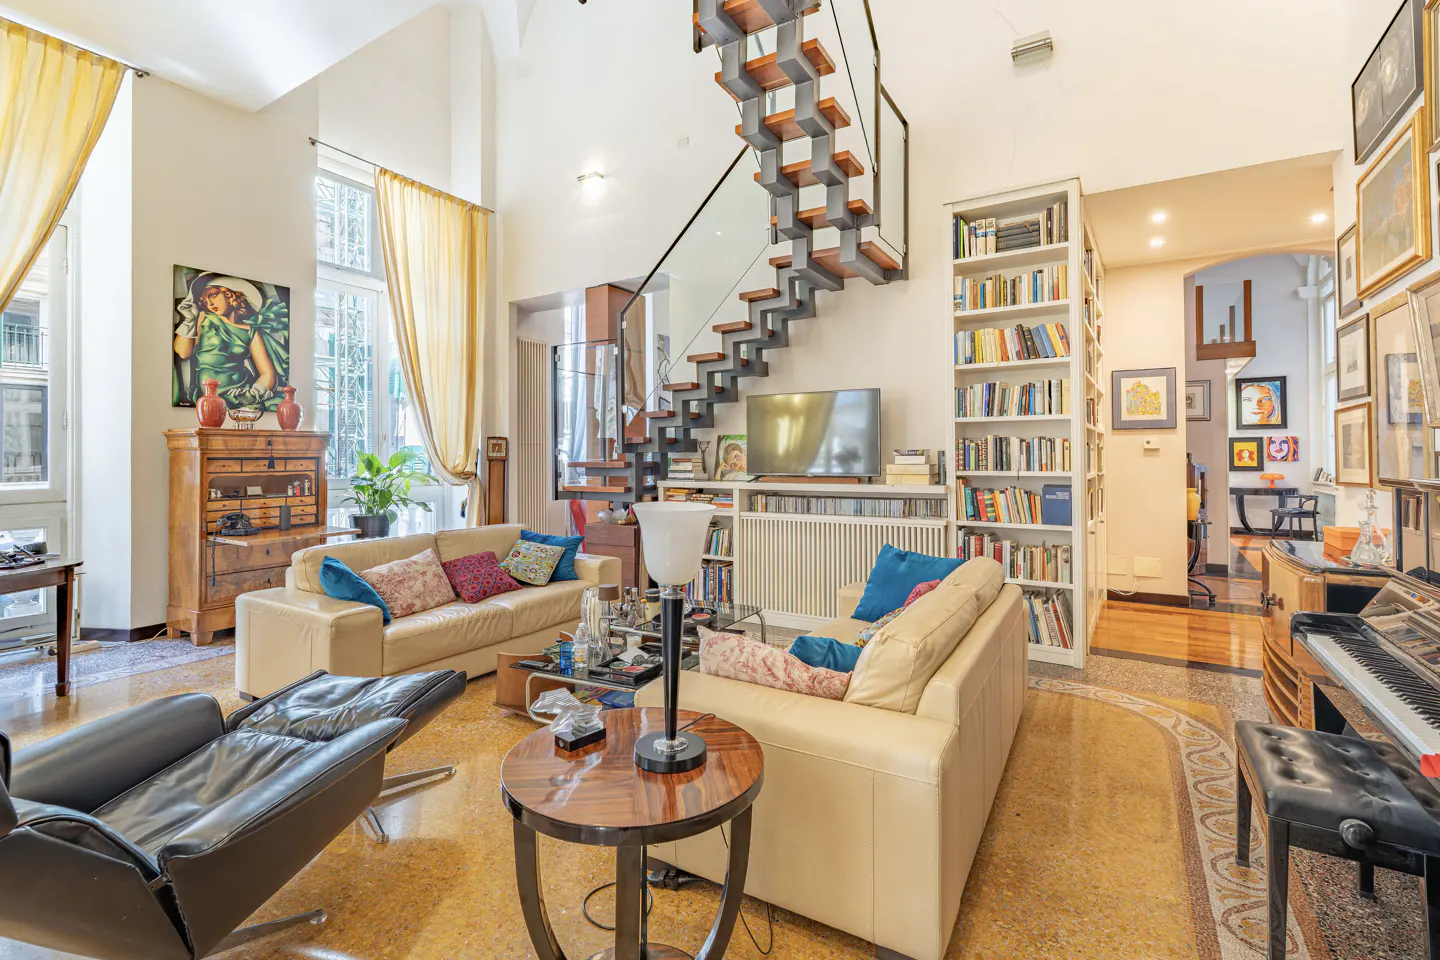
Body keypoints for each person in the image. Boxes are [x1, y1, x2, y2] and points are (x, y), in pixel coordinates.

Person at [173, 273, 289, 409]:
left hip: (242, 394)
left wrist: (253, 394)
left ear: (230, 294)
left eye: (213, 295)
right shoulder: (204, 319)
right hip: (210, 396)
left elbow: (267, 373)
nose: (209, 304)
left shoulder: (250, 330)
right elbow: (183, 352)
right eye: (204, 301)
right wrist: (189, 320)